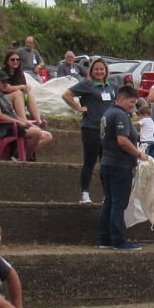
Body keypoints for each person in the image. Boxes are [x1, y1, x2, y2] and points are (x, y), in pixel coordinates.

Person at [98, 84, 146, 250]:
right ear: (122, 98)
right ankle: (119, 239)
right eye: (131, 102)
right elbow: (122, 140)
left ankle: (105, 238)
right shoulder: (119, 115)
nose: (133, 105)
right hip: (119, 165)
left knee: (109, 201)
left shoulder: (108, 112)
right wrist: (139, 154)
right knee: (119, 203)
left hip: (106, 162)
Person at [63, 56, 114, 203]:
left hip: (108, 130)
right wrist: (78, 108)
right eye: (96, 69)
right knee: (90, 161)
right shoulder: (87, 85)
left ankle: (107, 195)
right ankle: (85, 193)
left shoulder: (111, 86)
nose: (99, 72)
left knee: (106, 163)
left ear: (106, 71)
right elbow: (66, 95)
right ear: (92, 71)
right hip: (91, 127)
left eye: (101, 69)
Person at [0, 83, 53, 160]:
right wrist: (18, 122)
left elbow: (14, 115)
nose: (5, 84)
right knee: (37, 132)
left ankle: (21, 156)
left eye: (6, 82)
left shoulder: (5, 99)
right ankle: (22, 157)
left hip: (18, 125)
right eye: (3, 82)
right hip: (9, 128)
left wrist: (27, 123)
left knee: (48, 136)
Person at [0, 51, 44, 124]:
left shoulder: (19, 73)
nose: (15, 61)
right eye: (12, 60)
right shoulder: (2, 73)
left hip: (16, 98)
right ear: (7, 61)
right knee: (18, 93)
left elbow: (24, 87)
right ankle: (24, 121)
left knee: (28, 95)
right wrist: (21, 87)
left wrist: (26, 88)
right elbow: (6, 88)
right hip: (1, 98)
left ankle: (38, 121)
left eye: (17, 60)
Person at [133, 94, 154, 161]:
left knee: (145, 156)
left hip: (145, 142)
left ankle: (145, 166)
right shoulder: (152, 121)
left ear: (145, 115)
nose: (140, 118)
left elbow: (136, 124)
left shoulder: (144, 120)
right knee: (152, 156)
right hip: (152, 141)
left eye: (140, 116)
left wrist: (129, 123)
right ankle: (153, 165)